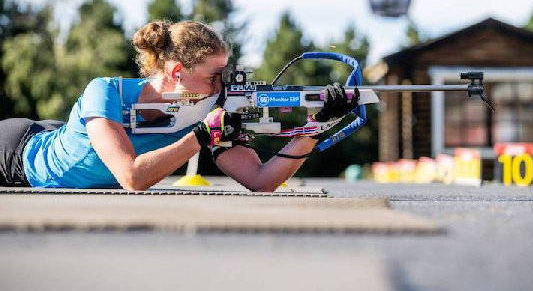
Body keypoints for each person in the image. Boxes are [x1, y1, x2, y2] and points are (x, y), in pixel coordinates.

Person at [0, 20, 357, 191]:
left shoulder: (207, 109)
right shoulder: (104, 91)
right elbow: (132, 178)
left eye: (226, 74)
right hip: (18, 152)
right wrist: (200, 137)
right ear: (176, 71)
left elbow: (260, 180)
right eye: (212, 76)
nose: (222, 86)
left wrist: (315, 128)